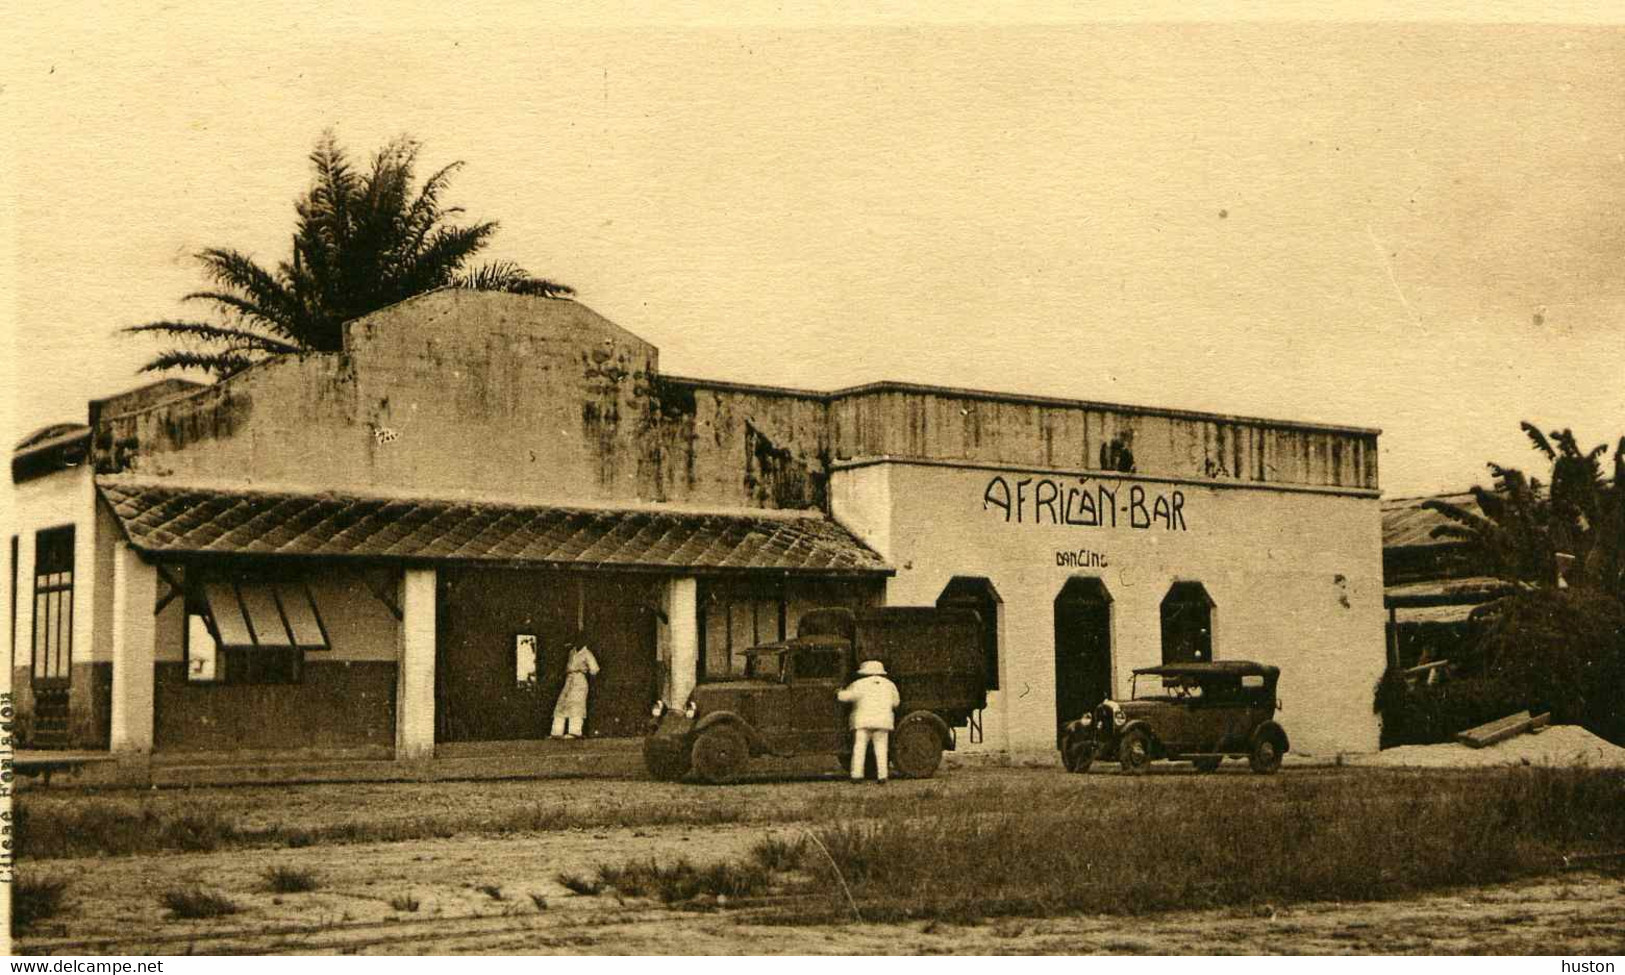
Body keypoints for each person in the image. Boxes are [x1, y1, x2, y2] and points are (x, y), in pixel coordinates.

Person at [837, 659, 901, 784]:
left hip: (863, 722)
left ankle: (857, 776)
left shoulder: (859, 684)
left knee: (859, 748)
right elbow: (896, 702)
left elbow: (846, 697)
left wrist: (838, 692)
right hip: (883, 721)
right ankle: (882, 776)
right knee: (881, 749)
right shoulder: (890, 685)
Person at [551, 642, 600, 739]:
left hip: (579, 679)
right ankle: (556, 732)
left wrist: (584, 672)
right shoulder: (572, 652)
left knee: (576, 705)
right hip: (569, 679)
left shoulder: (587, 653)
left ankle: (575, 732)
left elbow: (594, 669)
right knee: (562, 704)